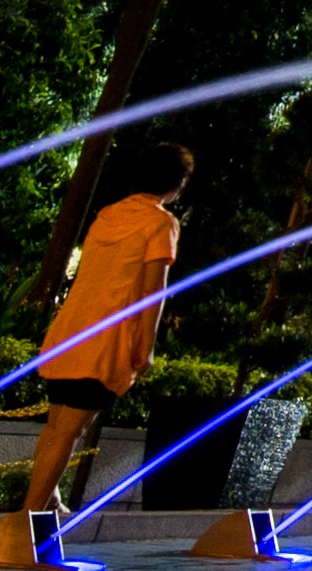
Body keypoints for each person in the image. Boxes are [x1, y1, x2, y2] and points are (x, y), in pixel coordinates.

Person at [17, 144, 191, 518]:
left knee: (56, 427)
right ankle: (29, 519)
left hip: (70, 331)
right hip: (106, 341)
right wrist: (145, 347)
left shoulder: (108, 215)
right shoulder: (161, 223)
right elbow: (152, 293)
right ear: (177, 182)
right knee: (69, 431)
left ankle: (47, 501)